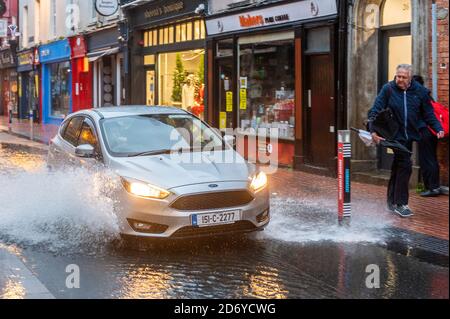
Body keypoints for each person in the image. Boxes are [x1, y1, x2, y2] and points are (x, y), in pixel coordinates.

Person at [368, 64, 445, 218]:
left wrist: (437, 127)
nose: (399, 80)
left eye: (403, 77)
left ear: (410, 78)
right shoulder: (388, 89)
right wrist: (373, 130)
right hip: (394, 135)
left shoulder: (420, 92)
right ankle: (401, 203)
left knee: (398, 165)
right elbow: (375, 110)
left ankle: (391, 201)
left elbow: (428, 113)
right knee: (406, 164)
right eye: (398, 76)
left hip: (410, 135)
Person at [413, 75, 445, 197]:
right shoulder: (427, 96)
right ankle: (434, 186)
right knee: (431, 158)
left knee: (427, 159)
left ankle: (432, 188)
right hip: (433, 131)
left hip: (425, 130)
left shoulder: (418, 96)